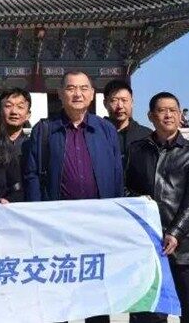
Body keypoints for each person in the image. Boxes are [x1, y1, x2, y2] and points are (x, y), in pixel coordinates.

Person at [23, 71, 122, 323]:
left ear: (92, 94)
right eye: (70, 88)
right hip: (58, 227)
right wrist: (38, 217)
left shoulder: (106, 130)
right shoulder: (45, 130)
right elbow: (32, 175)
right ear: (60, 93)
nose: (77, 94)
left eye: (83, 88)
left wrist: (115, 219)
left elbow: (116, 175)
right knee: (58, 296)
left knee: (96, 296)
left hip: (97, 226)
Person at [125, 92, 189, 323]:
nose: (168, 115)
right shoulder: (136, 150)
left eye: (173, 110)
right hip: (147, 245)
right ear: (151, 116)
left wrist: (176, 231)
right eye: (162, 110)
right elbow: (125, 188)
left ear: (181, 115)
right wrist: (140, 201)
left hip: (184, 248)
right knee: (148, 315)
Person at [103, 79, 152, 173]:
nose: (120, 106)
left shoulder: (146, 135)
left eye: (124, 100)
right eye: (114, 100)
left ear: (132, 102)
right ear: (105, 103)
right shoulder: (95, 133)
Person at [0, 87, 32, 158]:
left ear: (28, 115)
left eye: (20, 107)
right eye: (8, 106)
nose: (14, 111)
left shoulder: (33, 144)